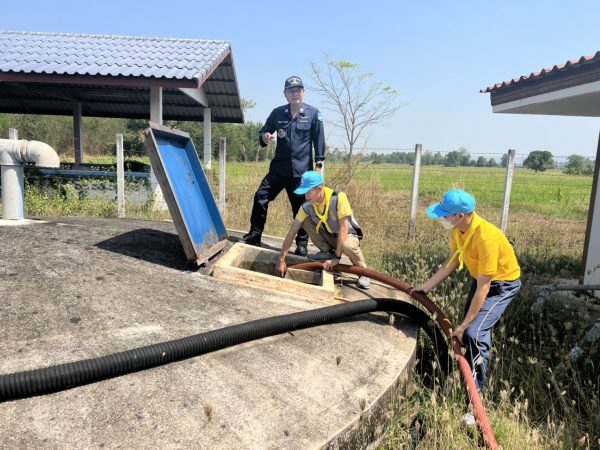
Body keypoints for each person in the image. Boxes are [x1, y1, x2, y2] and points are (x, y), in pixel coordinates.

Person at [411, 189, 521, 418]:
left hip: (501, 286)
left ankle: (476, 402)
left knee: (473, 333)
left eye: (445, 215)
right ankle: (469, 373)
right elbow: (452, 260)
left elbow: (485, 288)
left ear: (460, 215)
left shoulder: (486, 238)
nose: (442, 219)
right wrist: (427, 286)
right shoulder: (459, 231)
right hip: (481, 279)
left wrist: (463, 326)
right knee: (470, 331)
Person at [240, 76, 326, 257]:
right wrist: (265, 136)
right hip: (278, 170)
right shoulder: (277, 113)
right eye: (291, 91)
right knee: (260, 196)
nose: (295, 93)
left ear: (303, 92)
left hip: (301, 174)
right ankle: (255, 235)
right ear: (285, 94)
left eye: (298, 90)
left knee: (301, 208)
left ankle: (301, 245)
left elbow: (319, 141)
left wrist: (318, 166)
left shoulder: (313, 114)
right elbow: (264, 130)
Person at [274, 171, 370, 289]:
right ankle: (327, 251)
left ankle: (363, 272)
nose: (306, 197)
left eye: (309, 192)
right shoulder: (307, 206)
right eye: (305, 193)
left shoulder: (338, 198)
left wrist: (337, 258)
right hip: (331, 236)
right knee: (304, 220)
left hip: (348, 236)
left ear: (319, 189)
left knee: (347, 245)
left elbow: (343, 227)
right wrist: (281, 259)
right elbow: (292, 231)